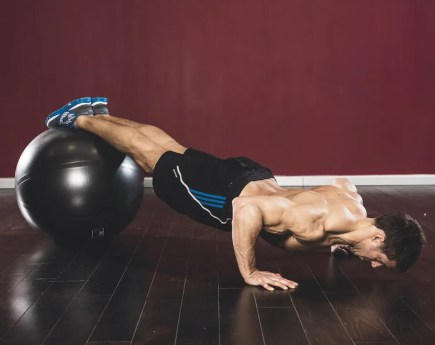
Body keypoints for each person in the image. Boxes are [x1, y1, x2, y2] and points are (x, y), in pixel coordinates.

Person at [45, 97, 426, 291]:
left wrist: (345, 241)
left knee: (167, 149)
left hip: (252, 173)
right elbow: (247, 209)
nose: (374, 265)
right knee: (153, 159)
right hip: (229, 195)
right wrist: (250, 271)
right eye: (380, 258)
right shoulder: (315, 224)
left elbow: (344, 182)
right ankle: (79, 118)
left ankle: (97, 112)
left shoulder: (353, 206)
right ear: (378, 236)